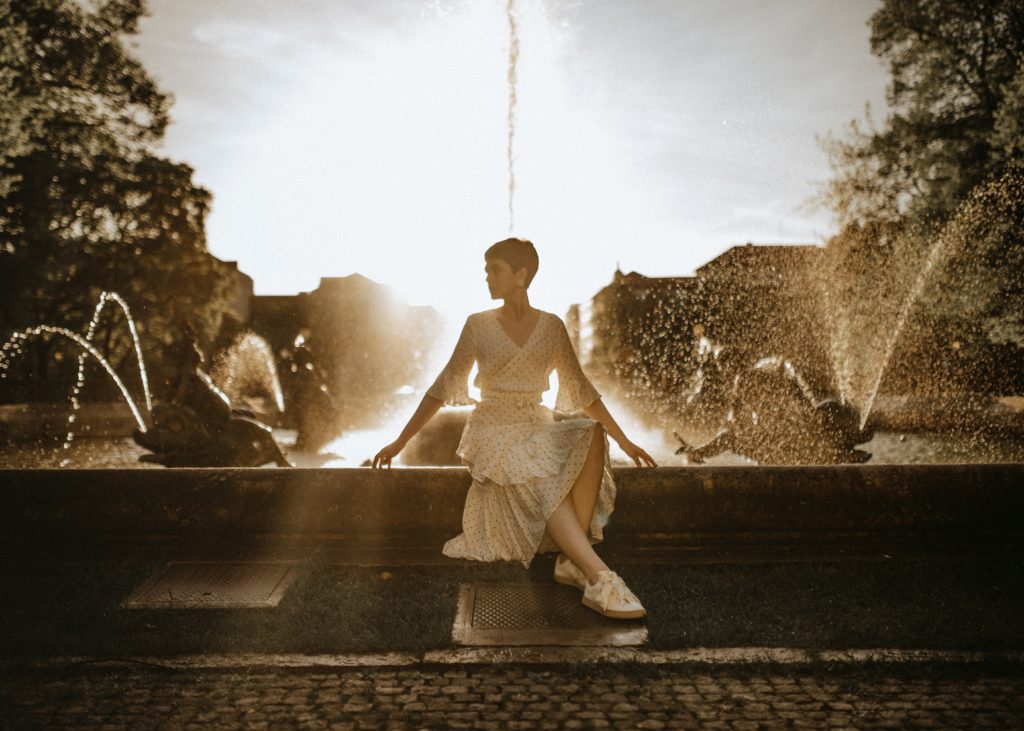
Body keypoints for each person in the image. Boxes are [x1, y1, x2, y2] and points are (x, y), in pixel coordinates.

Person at [372, 238, 657, 620]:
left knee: (591, 433)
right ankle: (598, 575)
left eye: (495, 269)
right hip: (493, 429)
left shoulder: (553, 326)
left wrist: (625, 440)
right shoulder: (477, 325)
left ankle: (570, 558)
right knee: (539, 467)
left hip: (534, 424)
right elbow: (441, 387)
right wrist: (399, 441)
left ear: (521, 275)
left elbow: (583, 391)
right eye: (487, 269)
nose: (487, 277)